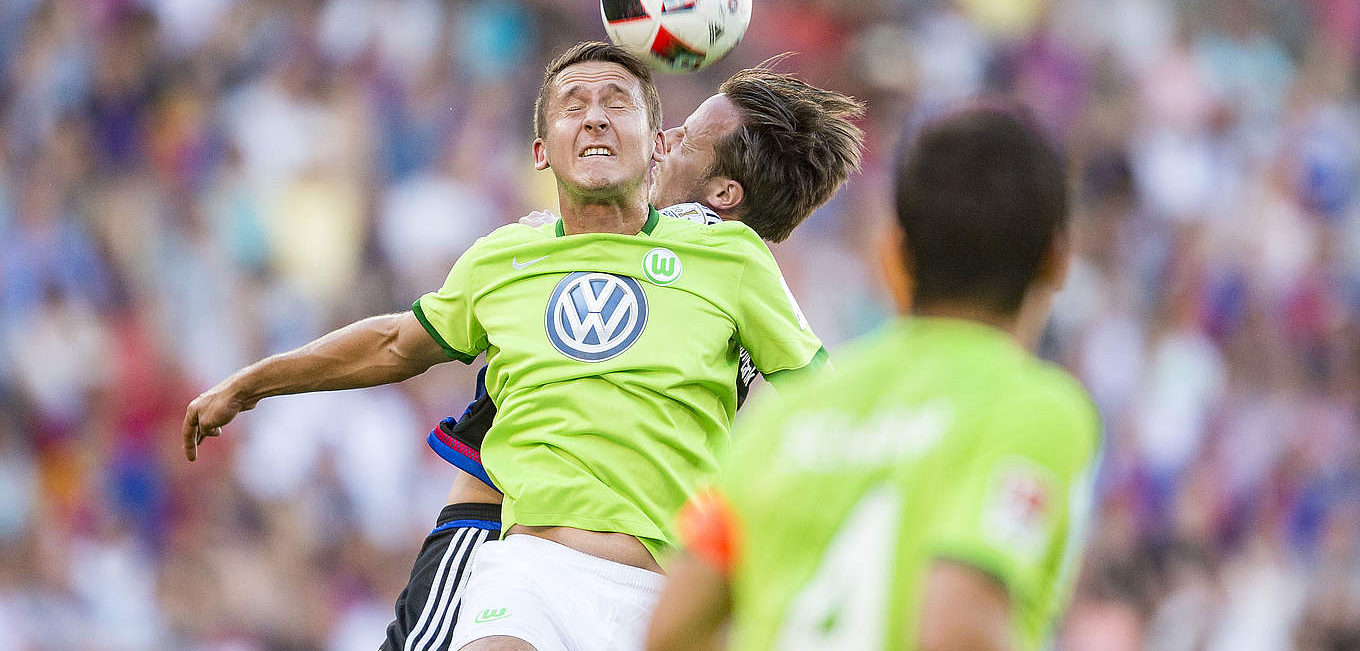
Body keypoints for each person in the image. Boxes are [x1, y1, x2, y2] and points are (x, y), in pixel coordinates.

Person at [181, 41, 864, 651]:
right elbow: (396, 341)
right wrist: (253, 383)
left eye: (675, 134)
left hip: (656, 588)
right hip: (526, 565)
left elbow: (825, 399)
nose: (600, 120)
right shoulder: (512, 254)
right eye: (574, 107)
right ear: (542, 149)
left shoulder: (728, 262)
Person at [388, 61, 866, 651]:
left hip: (494, 527)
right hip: (582, 551)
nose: (661, 142)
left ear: (723, 193)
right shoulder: (739, 277)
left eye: (682, 139)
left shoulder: (690, 245)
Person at [645, 105, 1103, 651]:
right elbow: (959, 630)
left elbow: (673, 629)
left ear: (891, 257)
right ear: (1057, 262)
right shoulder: (1036, 411)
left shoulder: (786, 418)